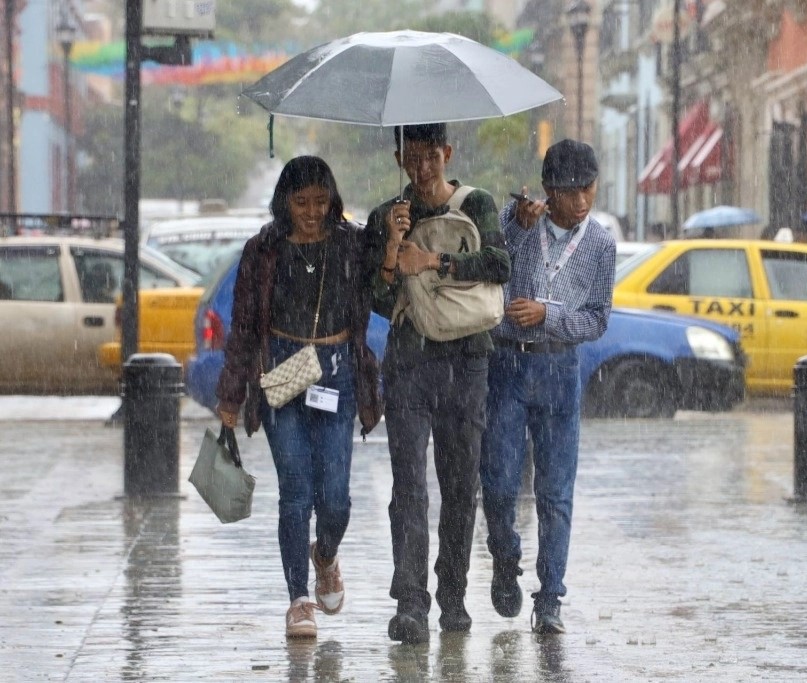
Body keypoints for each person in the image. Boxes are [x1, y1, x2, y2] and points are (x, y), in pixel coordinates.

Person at [215, 156, 379, 639]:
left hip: (337, 372)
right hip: (281, 373)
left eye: (321, 202)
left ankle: (324, 555)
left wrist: (391, 235)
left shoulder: (352, 243)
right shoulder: (263, 250)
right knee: (295, 494)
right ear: (284, 201)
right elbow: (243, 326)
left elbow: (387, 276)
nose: (311, 212)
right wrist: (232, 392)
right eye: (302, 202)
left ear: (333, 201)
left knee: (336, 498)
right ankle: (298, 599)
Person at [365, 123, 511, 644]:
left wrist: (434, 260)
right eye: (411, 157)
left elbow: (499, 264)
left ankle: (453, 594)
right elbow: (377, 303)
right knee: (408, 486)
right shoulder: (386, 215)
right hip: (408, 364)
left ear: (447, 153)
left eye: (431, 157)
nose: (422, 169)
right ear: (399, 157)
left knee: (459, 485)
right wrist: (391, 248)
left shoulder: (479, 204)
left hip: (468, 362)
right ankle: (410, 602)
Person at [479, 139, 616, 635]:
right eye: (569, 191)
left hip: (560, 371)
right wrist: (517, 225)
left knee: (556, 491)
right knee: (496, 483)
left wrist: (549, 316)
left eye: (588, 189)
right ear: (548, 190)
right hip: (507, 367)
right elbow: (490, 269)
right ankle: (505, 553)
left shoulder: (600, 245)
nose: (580, 201)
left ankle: (551, 597)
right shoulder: (518, 225)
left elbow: (598, 319)